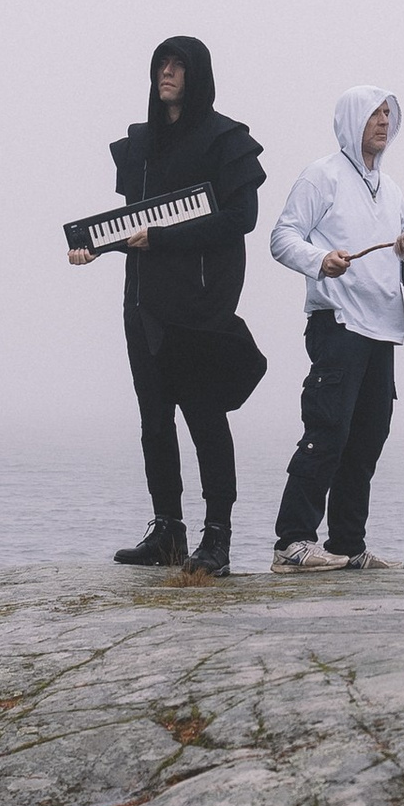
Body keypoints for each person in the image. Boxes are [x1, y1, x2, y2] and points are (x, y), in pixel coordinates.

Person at [70, 34, 264, 575]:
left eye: (178, 65)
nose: (167, 73)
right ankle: (168, 533)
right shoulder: (141, 144)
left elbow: (239, 219)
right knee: (154, 421)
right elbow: (133, 224)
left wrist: (163, 238)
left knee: (205, 417)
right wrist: (95, 246)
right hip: (142, 306)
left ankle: (217, 538)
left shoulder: (228, 141)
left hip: (199, 309)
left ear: (197, 74)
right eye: (161, 64)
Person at [267, 83, 404, 574]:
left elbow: (402, 255)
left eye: (388, 114)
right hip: (337, 323)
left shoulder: (394, 190)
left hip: (383, 329)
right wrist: (321, 260)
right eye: (373, 113)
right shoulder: (323, 176)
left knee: (367, 438)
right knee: (328, 430)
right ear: (351, 119)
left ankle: (347, 545)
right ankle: (292, 543)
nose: (383, 121)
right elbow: (282, 237)